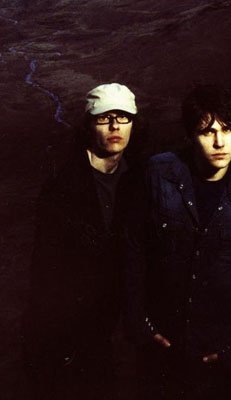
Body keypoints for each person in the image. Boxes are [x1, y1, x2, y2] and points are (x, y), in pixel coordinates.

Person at [121, 84, 231, 399]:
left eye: (228, 130)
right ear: (191, 135)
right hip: (164, 347)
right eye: (208, 132)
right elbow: (133, 251)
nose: (220, 142)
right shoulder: (158, 174)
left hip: (222, 352)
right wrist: (138, 325)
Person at [22, 83, 139, 400]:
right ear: (89, 124)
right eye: (104, 118)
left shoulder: (140, 178)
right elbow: (46, 275)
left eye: (123, 117)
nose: (114, 126)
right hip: (77, 334)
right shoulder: (62, 188)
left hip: (122, 327)